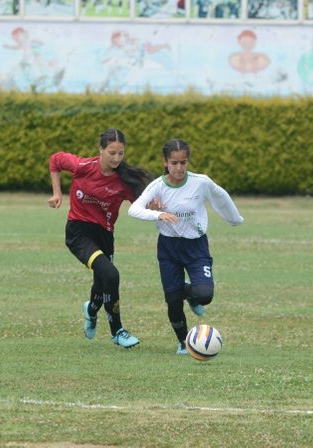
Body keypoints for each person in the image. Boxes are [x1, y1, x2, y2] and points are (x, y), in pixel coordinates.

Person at [128, 139, 244, 355]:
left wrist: (234, 219)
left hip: (196, 246)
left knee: (204, 295)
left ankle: (191, 295)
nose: (179, 168)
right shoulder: (157, 187)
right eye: (174, 163)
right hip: (168, 247)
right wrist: (158, 213)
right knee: (172, 300)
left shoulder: (201, 182)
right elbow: (134, 209)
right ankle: (183, 342)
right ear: (165, 162)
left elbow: (221, 197)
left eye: (183, 162)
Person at [47, 128, 153, 348]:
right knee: (111, 275)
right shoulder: (83, 167)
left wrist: (155, 207)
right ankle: (117, 331)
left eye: (120, 154)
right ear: (101, 150)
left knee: (102, 282)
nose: (116, 158)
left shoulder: (124, 181)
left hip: (105, 235)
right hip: (79, 233)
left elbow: (141, 206)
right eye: (112, 153)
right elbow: (55, 160)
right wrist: (57, 193)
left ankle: (92, 310)